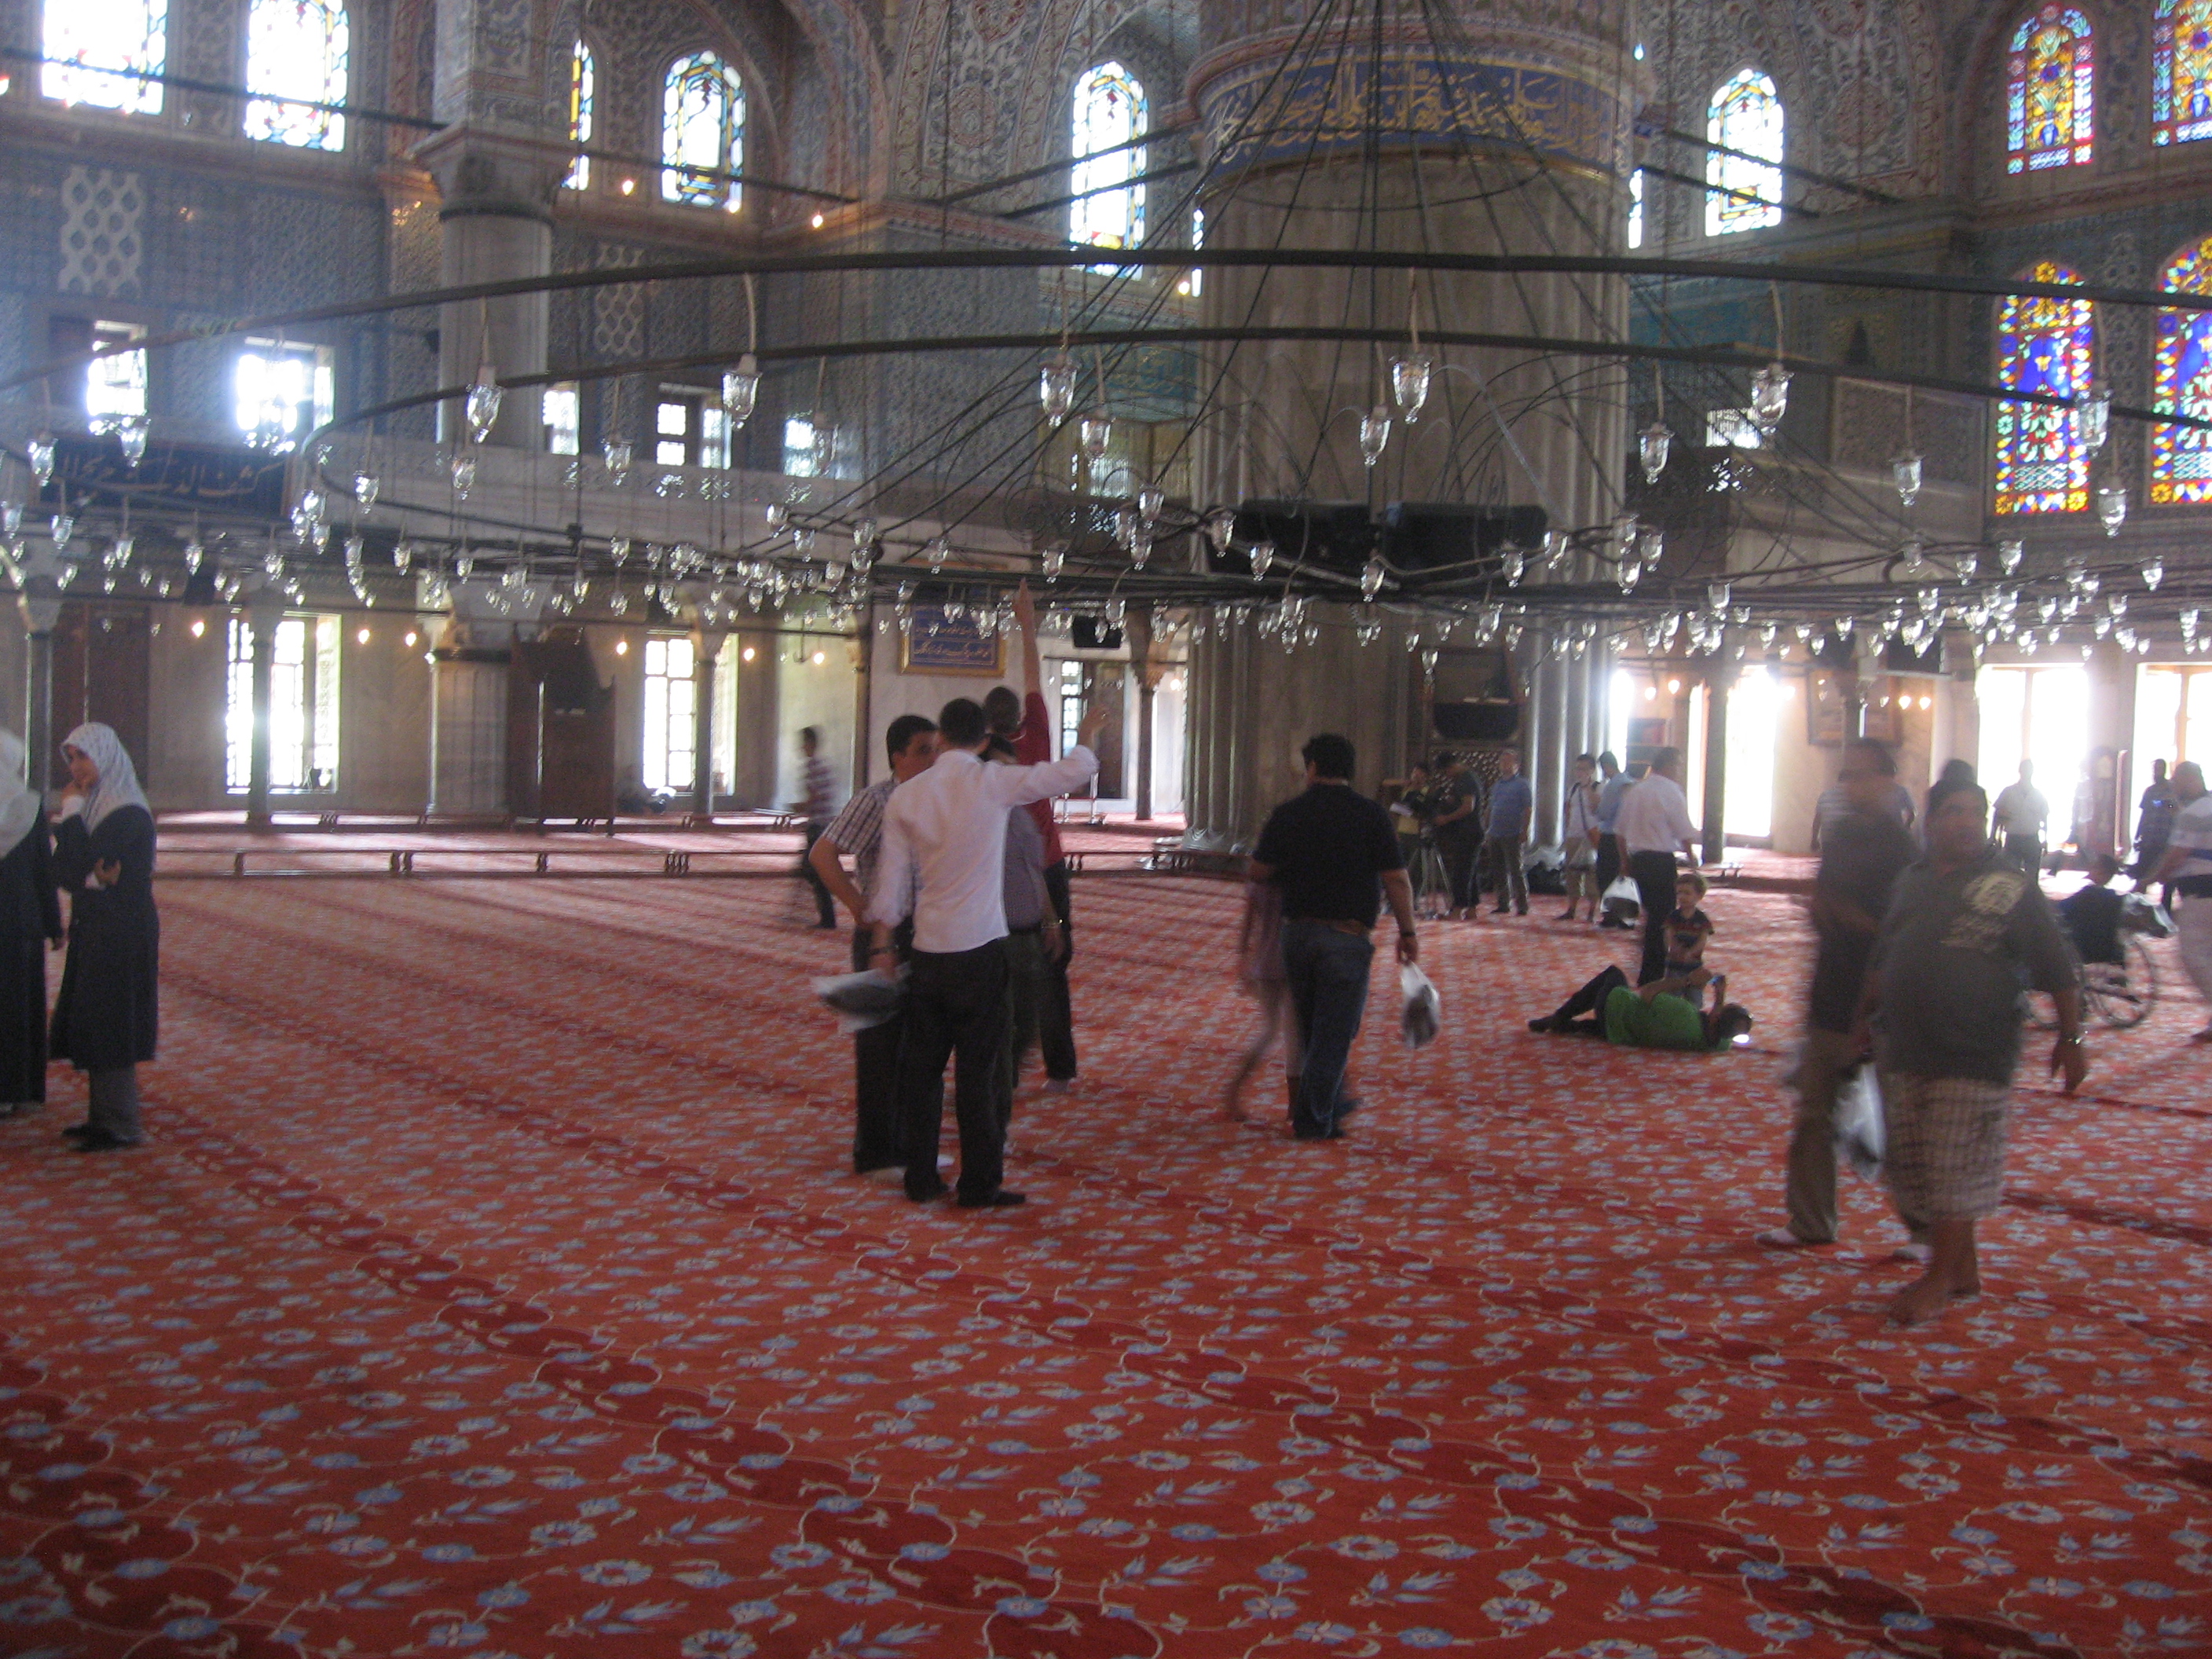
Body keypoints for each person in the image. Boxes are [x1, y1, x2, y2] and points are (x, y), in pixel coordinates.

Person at [1859, 782, 2084, 1324]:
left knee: (1953, 1165)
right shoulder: (1911, 881)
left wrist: (2071, 1038)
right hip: (1907, 1047)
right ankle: (1964, 1268)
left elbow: (2056, 967)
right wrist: (1861, 1023)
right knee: (1915, 1167)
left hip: (1975, 1051)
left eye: (1976, 814)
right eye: (1954, 812)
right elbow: (1886, 958)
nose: (1966, 823)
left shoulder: (2009, 885)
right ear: (1930, 821)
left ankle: (1938, 1278)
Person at [868, 695, 1105, 1209]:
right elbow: (1070, 773)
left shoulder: (907, 797)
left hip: (927, 951)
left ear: (942, 738)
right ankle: (978, 1184)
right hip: (979, 951)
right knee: (979, 1073)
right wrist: (1085, 733)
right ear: (981, 741)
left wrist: (882, 945)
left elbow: (891, 886)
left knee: (923, 1073)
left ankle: (920, 1179)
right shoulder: (992, 782)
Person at [1760, 737, 1918, 1251]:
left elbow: (1906, 932)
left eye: (1861, 775)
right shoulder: (1843, 836)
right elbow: (1827, 906)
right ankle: (1811, 1220)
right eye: (1846, 775)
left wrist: (1851, 918)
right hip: (1832, 992)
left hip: (1884, 1002)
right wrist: (1823, 912)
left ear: (1888, 781)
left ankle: (1926, 1230)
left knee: (1900, 1123)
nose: (1851, 786)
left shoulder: (1903, 850)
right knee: (1815, 1115)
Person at [1247, 734, 1419, 1141]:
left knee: (1310, 1028)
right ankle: (1315, 1120)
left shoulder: (1289, 813)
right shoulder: (1371, 815)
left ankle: (1325, 1108)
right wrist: (1408, 932)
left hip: (1297, 934)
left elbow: (1258, 871)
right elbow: (1396, 878)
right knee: (1335, 1032)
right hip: (1346, 936)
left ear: (1312, 768)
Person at [808, 712, 939, 1174]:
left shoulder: (936, 799)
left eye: (936, 749)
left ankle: (907, 1145)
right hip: (885, 935)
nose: (933, 759)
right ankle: (877, 1151)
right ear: (897, 757)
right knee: (881, 1047)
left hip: (928, 932)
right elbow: (823, 853)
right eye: (923, 750)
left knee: (918, 1043)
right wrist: (856, 905)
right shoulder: (877, 800)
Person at [987, 584, 1081, 1094]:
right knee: (1053, 968)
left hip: (1006, 875)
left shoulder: (984, 759)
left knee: (1003, 968)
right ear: (1019, 717)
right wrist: (1027, 625)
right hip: (1049, 865)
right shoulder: (1038, 733)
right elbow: (1033, 675)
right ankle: (1060, 1070)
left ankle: (1007, 1060)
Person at [52, 723, 159, 1152]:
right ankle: (102, 1118)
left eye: (83, 756)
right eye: (71, 758)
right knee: (95, 1017)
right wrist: (88, 875)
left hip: (122, 931)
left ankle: (121, 1123)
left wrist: (71, 811)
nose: (76, 767)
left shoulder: (126, 812)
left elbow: (79, 863)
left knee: (112, 1020)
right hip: (99, 925)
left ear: (106, 757)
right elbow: (67, 872)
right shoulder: (99, 807)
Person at [984, 734, 1066, 1100]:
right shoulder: (976, 818)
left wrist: (1051, 922)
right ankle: (993, 1086)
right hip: (990, 934)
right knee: (996, 1018)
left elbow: (1036, 873)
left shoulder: (1020, 816)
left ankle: (1002, 1081)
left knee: (1025, 1017)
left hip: (1023, 932)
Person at [0, 732, 60, 1115]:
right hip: (21, 921)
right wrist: (54, 925)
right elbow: (43, 870)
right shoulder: (29, 807)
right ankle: (15, 1089)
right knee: (17, 1007)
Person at [1616, 745, 1698, 984]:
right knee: (1662, 921)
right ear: (1669, 765)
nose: (1680, 770)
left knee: (1651, 918)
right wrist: (1692, 859)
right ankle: (1654, 974)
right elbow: (1683, 829)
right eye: (1678, 765)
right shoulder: (1671, 791)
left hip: (1639, 861)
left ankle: (1649, 971)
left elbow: (1619, 832)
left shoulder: (1636, 790)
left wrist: (1625, 862)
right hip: (1661, 862)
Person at [1529, 961, 1751, 1049]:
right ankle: (1573, 1026)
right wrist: (1719, 998)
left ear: (1716, 1017)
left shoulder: (1683, 1014)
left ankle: (1560, 1016)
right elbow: (1717, 1026)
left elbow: (1648, 991)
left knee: (1614, 974)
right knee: (1631, 1023)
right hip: (1628, 1035)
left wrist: (1687, 981)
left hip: (1616, 1010)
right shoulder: (1718, 1045)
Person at [2152, 760, 2212, 1043]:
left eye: (2177, 780)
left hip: (2202, 894)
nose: (2173, 785)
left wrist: (2152, 878)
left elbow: (2178, 854)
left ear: (2189, 779)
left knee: (2193, 954)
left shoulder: (2195, 813)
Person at [793, 727, 840, 929]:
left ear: (810, 744)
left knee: (814, 871)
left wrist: (798, 807)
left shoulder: (813, 767)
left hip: (818, 825)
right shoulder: (824, 766)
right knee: (814, 870)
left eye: (803, 743)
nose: (801, 747)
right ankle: (826, 915)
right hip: (824, 823)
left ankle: (827, 917)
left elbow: (814, 797)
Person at [1428, 752, 1483, 920]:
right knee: (1470, 871)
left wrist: (1446, 818)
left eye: (1446, 772)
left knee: (1461, 872)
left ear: (1451, 767)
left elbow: (1468, 807)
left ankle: (1457, 910)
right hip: (1468, 831)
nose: (1447, 776)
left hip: (1469, 831)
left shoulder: (1466, 780)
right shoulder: (1465, 778)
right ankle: (1471, 909)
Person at [1481, 749, 1533, 916]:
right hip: (1495, 832)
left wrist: (1524, 830)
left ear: (1517, 765)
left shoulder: (1522, 784)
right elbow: (1491, 808)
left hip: (1513, 832)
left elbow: (1528, 808)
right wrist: (1486, 828)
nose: (1505, 765)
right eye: (1502, 761)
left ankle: (1522, 904)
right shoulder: (1497, 785)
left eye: (1508, 761)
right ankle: (1503, 903)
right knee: (1498, 870)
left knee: (1516, 869)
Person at [2058, 853, 2126, 968]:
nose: (2090, 868)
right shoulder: (2115, 899)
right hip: (2106, 952)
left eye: (2094, 867)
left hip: (2082, 950)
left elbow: (2063, 908)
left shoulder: (2085, 895)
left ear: (2101, 873)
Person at [1559, 754, 1601, 923]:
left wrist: (1588, 787)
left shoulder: (1598, 787)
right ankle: (1572, 908)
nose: (1579, 772)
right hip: (1573, 835)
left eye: (1583, 769)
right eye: (1578, 768)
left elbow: (1596, 808)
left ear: (1592, 770)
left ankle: (1592, 910)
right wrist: (1567, 829)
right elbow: (1568, 809)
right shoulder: (1573, 788)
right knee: (1572, 874)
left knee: (1591, 874)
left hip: (1591, 835)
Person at [1991, 759, 2049, 877]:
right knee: (2011, 877)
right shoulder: (2008, 792)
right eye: (2024, 769)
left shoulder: (2038, 795)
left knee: (2032, 877)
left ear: (2032, 771)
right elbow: (1998, 814)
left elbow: (2045, 819)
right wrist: (1993, 836)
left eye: (2028, 769)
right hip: (2013, 840)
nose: (2026, 772)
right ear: (2019, 771)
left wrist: (2045, 840)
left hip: (2032, 840)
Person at [2134, 758, 2177, 903]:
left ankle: (2166, 908)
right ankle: (2139, 904)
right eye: (2154, 770)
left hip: (2166, 838)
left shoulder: (2172, 790)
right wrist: (2139, 834)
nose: (2156, 773)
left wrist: (2166, 805)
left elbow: (2175, 809)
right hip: (2149, 838)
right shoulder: (2150, 791)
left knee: (2167, 877)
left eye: (2158, 769)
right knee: (2142, 873)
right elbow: (2145, 813)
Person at [1662, 870, 1714, 979]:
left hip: (1694, 964)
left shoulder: (1701, 919)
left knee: (1694, 988)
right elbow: (1669, 936)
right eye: (1679, 893)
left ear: (1699, 896)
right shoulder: (1673, 917)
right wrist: (1675, 949)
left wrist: (1691, 953)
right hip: (1674, 963)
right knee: (1672, 986)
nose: (1682, 897)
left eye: (1687, 893)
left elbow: (1702, 940)